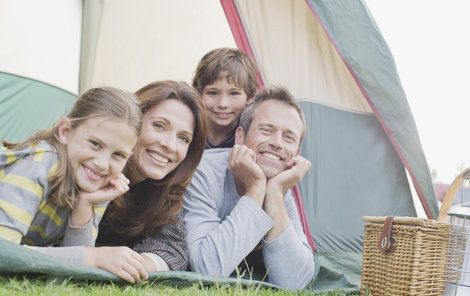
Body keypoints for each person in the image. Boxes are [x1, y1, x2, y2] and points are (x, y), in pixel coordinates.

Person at [183, 86, 315, 290]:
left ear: (296, 152)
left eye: (288, 137)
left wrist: (275, 193)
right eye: (266, 130)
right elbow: (206, 270)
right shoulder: (203, 173)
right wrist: (256, 188)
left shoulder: (280, 184)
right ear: (240, 137)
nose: (277, 143)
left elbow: (294, 283)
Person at [0, 87, 141, 260]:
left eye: (118, 155)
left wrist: (85, 204)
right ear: (65, 131)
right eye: (95, 144)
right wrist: (93, 258)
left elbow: (72, 269)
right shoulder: (38, 164)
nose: (103, 164)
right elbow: (4, 251)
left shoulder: (97, 183)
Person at [95, 80, 207, 283]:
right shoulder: (93, 167)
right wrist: (95, 257)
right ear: (132, 121)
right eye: (159, 126)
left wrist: (134, 263)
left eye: (183, 138)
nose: (170, 145)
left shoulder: (163, 192)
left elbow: (172, 250)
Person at [192, 47, 258, 149]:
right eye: (213, 93)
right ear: (198, 93)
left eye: (233, 94)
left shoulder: (251, 136)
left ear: (250, 97)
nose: (223, 104)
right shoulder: (187, 127)